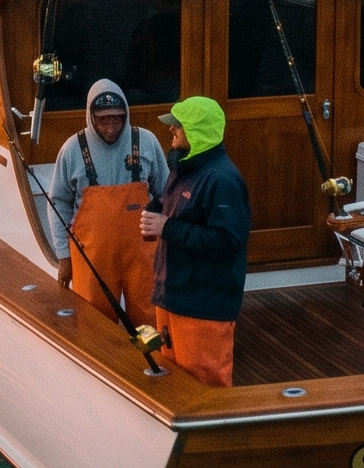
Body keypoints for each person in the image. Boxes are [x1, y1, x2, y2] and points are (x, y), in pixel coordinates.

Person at [138, 96, 250, 388]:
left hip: (203, 306)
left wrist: (168, 227)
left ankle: (215, 435)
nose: (171, 132)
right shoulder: (183, 169)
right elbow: (177, 217)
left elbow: (227, 240)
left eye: (178, 127)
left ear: (196, 132)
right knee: (173, 379)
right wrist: (157, 218)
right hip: (172, 297)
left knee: (205, 385)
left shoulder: (223, 179)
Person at [47, 79, 174, 327]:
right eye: (103, 119)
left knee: (150, 319)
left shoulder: (146, 141)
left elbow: (166, 194)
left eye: (116, 118)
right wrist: (64, 257)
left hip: (142, 255)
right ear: (90, 116)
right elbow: (58, 204)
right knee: (94, 323)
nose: (110, 127)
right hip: (91, 258)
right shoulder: (72, 149)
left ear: (125, 114)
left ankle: (151, 364)